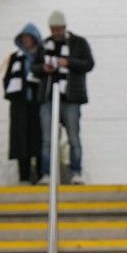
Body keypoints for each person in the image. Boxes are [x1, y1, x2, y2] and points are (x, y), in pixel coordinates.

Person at [36, 11, 93, 183]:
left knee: (73, 136)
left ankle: (76, 172)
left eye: (59, 29)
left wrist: (68, 62)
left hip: (71, 98)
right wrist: (44, 69)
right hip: (48, 97)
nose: (56, 33)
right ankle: (46, 173)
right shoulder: (44, 44)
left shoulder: (78, 43)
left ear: (65, 27)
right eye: (53, 29)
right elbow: (34, 67)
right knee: (47, 138)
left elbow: (89, 64)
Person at [4, 25, 47, 183]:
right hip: (20, 105)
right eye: (24, 38)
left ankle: (42, 174)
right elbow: (7, 79)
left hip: (39, 103)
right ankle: (24, 176)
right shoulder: (16, 57)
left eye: (29, 38)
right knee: (21, 139)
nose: (26, 41)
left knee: (39, 139)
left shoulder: (43, 56)